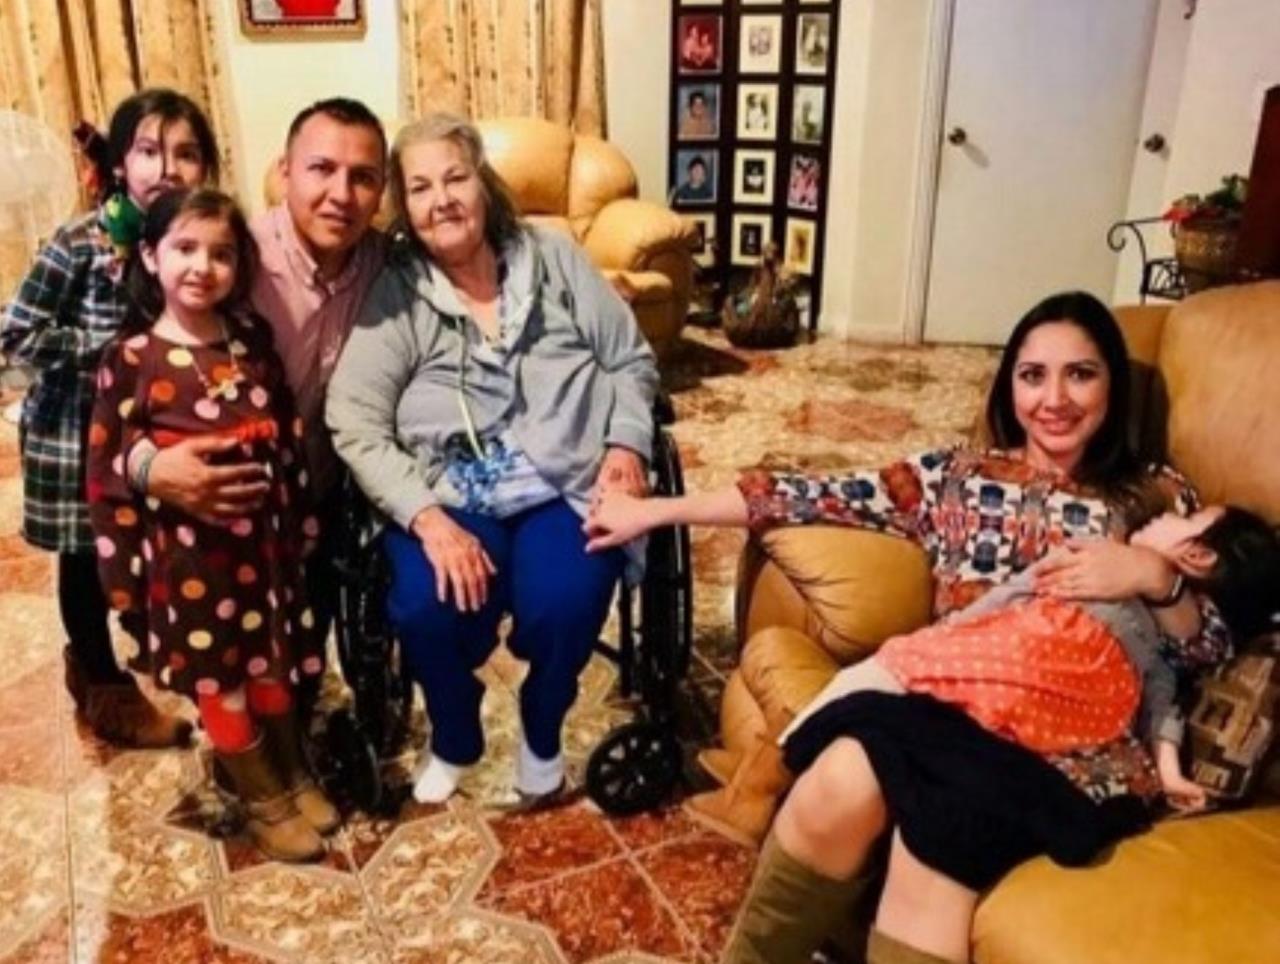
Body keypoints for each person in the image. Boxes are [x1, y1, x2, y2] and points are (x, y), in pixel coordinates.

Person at [584, 290, 1234, 964]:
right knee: (839, 776)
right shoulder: (956, 476)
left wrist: (1154, 577)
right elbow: (800, 493)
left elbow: (1210, 651)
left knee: (939, 825)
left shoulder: (1156, 496)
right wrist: (653, 512)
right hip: (950, 705)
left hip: (1074, 742)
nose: (1055, 399)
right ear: (1009, 384)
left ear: (1112, 384)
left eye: (1081, 374)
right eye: (1033, 375)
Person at [325, 112, 658, 808]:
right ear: (404, 206)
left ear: (484, 183)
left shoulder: (555, 258)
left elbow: (629, 360)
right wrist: (427, 519)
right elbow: (353, 419)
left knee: (567, 600)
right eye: (420, 187)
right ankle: (454, 733)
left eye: (455, 178)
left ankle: (543, 723)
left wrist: (626, 444)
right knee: (424, 606)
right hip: (451, 495)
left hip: (563, 482)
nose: (441, 199)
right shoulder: (397, 294)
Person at [86, 187, 337, 863]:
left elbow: (288, 437)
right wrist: (125, 574)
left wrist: (300, 524)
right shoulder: (130, 358)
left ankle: (291, 772)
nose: (203, 266)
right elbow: (107, 463)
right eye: (186, 249)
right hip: (192, 563)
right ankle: (262, 798)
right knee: (219, 679)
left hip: (266, 552)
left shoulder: (251, 342)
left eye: (221, 254)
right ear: (151, 255)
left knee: (271, 666)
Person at [778, 503, 1280, 812]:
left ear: (1198, 555)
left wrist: (1169, 774)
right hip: (1007, 654)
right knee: (889, 667)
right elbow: (1016, 592)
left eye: (1188, 517)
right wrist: (947, 635)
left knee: (899, 683)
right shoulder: (1093, 550)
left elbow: (1165, 698)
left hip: (1053, 705)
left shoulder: (1169, 638)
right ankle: (783, 762)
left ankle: (791, 765)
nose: (1169, 511)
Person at [0, 88, 219, 748]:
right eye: (149, 151)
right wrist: (103, 347)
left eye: (186, 153)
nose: (167, 168)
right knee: (84, 556)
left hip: (146, 431)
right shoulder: (79, 241)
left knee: (143, 542)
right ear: (121, 162)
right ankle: (99, 680)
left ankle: (148, 636)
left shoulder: (188, 241)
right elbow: (13, 335)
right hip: (73, 431)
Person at [131, 98, 387, 651]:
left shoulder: (387, 266)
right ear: (285, 172)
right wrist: (148, 465)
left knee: (304, 647)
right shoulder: (228, 259)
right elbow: (137, 378)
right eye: (322, 169)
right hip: (226, 511)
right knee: (231, 656)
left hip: (321, 494)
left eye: (363, 177)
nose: (341, 195)